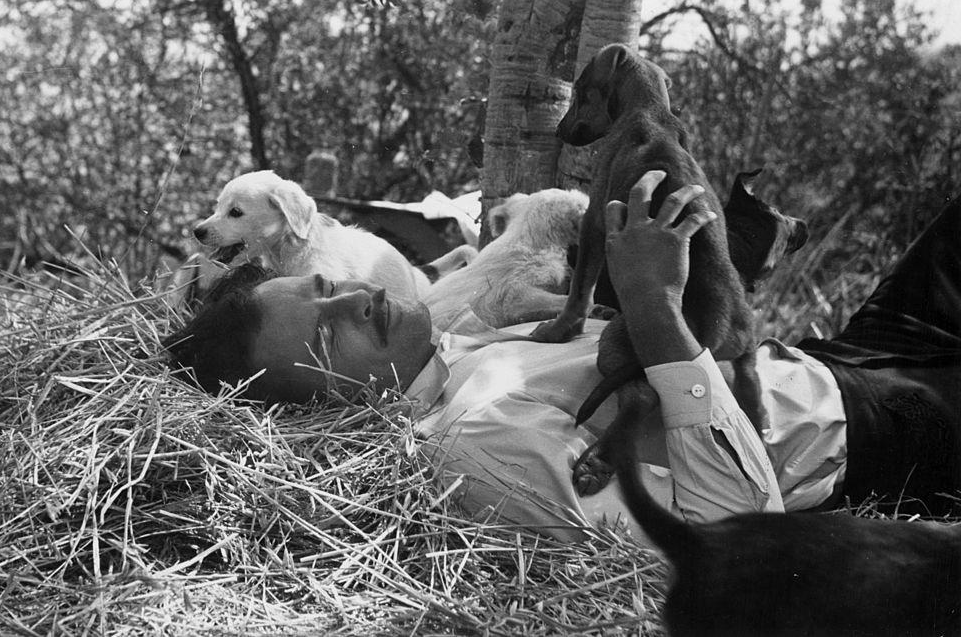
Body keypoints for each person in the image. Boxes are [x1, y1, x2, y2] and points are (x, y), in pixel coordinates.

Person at [163, 172, 961, 544]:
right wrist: (652, 312)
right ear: (331, 408)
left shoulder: (457, 340)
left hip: (833, 356)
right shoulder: (481, 446)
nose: (353, 300)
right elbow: (730, 527)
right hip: (874, 427)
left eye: (329, 286)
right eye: (331, 332)